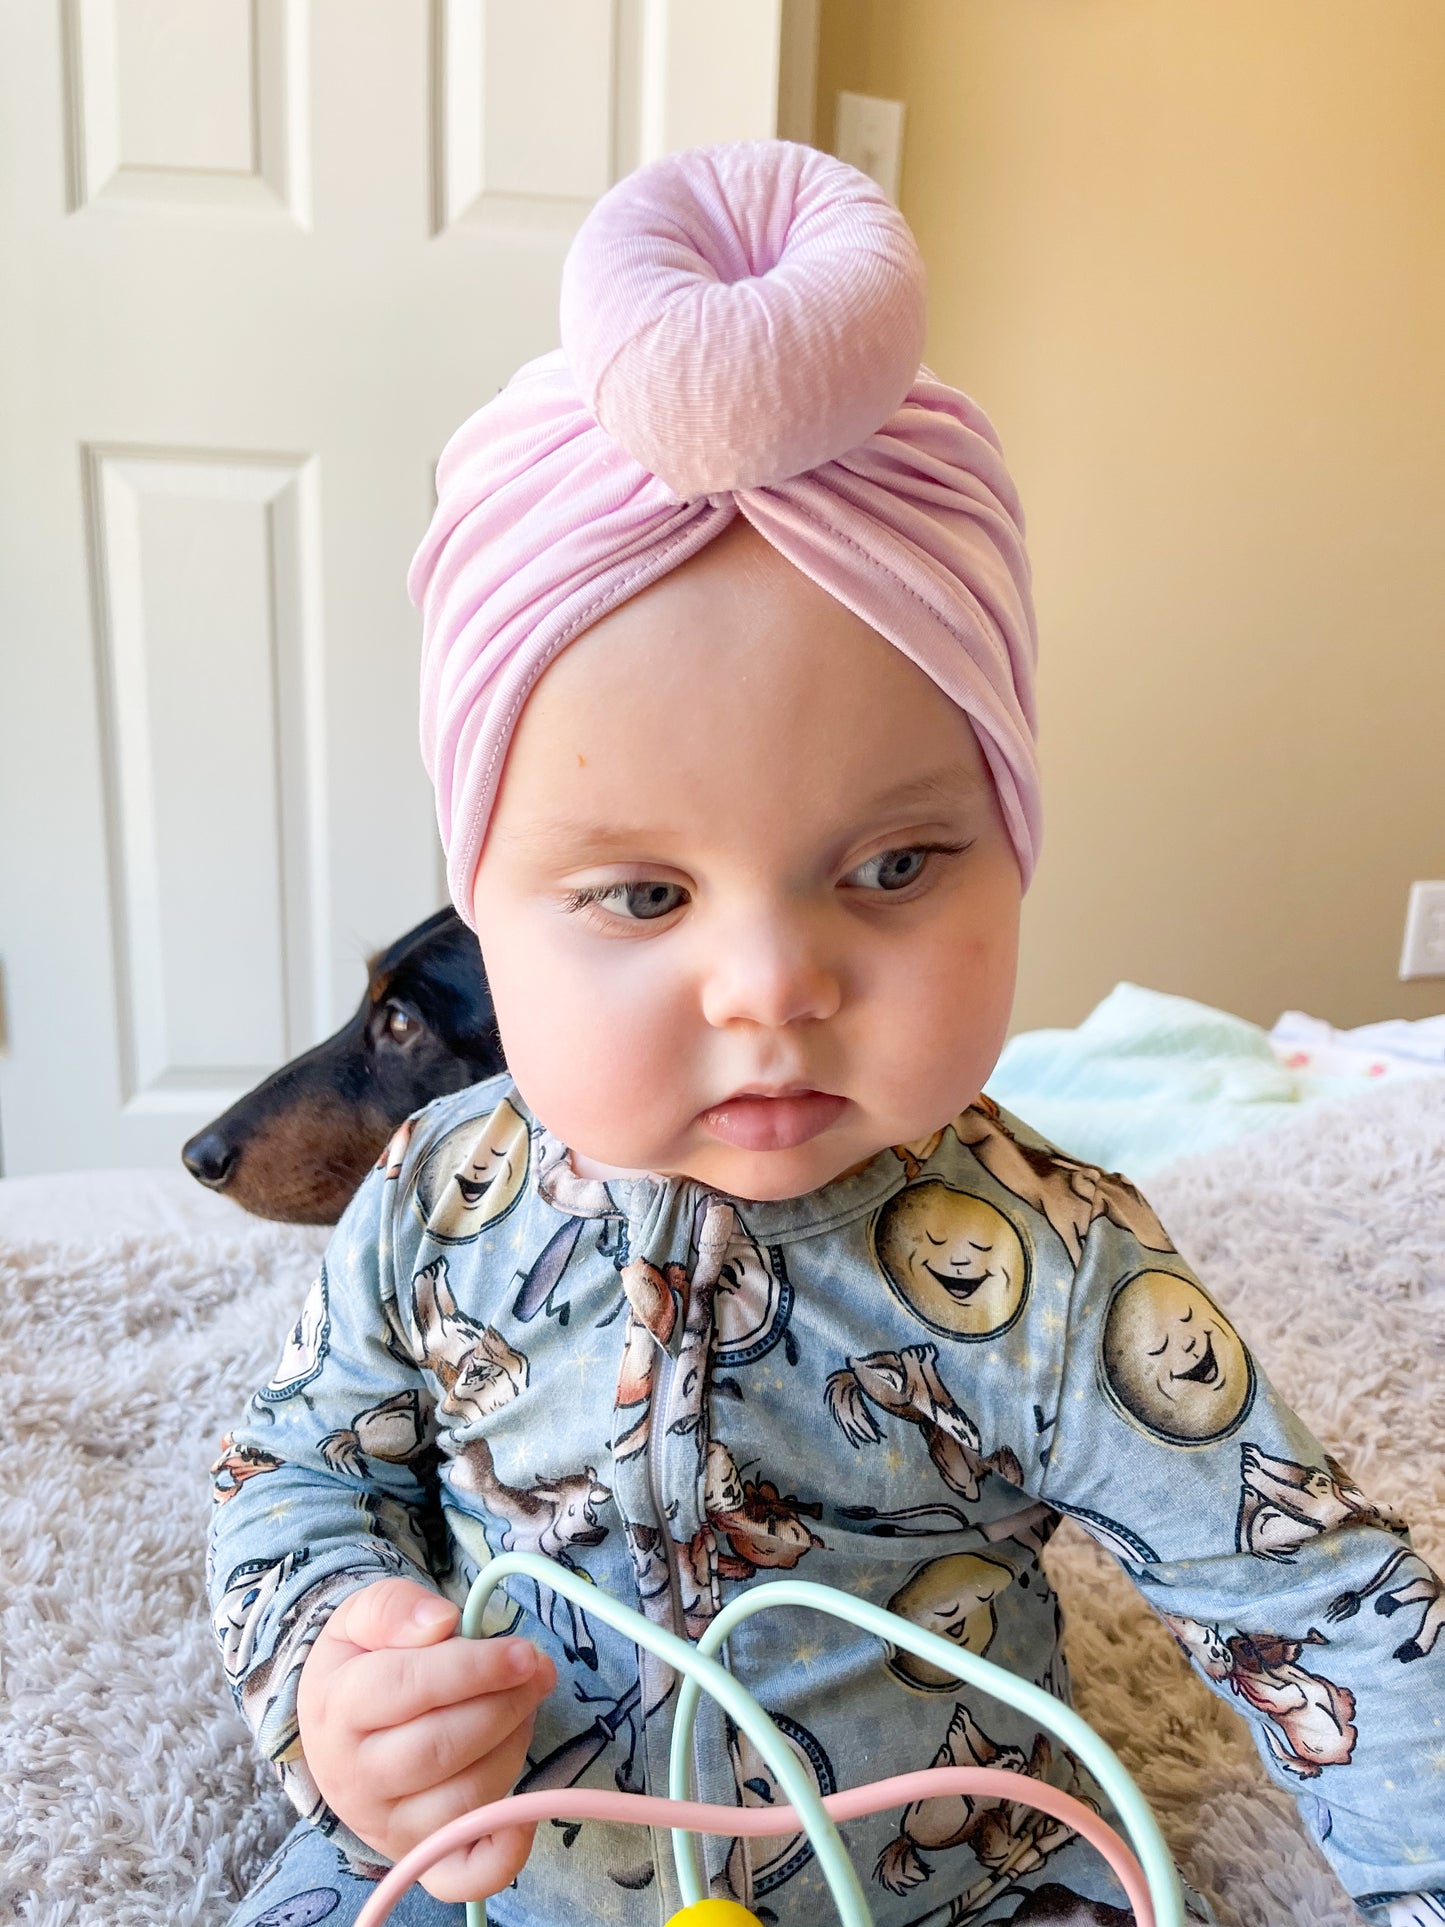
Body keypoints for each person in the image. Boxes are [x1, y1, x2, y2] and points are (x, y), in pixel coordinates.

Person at [209, 141, 1445, 1927]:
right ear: (478, 904)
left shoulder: (1056, 1268)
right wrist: (331, 1674)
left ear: (1009, 842)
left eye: (888, 864)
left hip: (943, 1890)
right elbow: (297, 1465)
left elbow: (1321, 1611)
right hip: (474, 1884)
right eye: (640, 897)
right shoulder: (429, 1202)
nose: (772, 983)